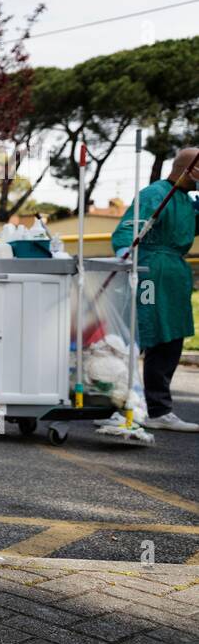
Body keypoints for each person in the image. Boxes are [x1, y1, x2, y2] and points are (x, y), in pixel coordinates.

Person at [110, 148, 199, 433]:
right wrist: (127, 254)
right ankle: (127, 406)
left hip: (174, 274)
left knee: (172, 337)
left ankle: (160, 409)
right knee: (145, 329)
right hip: (150, 271)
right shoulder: (155, 194)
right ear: (190, 170)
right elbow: (127, 229)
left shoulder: (187, 201)